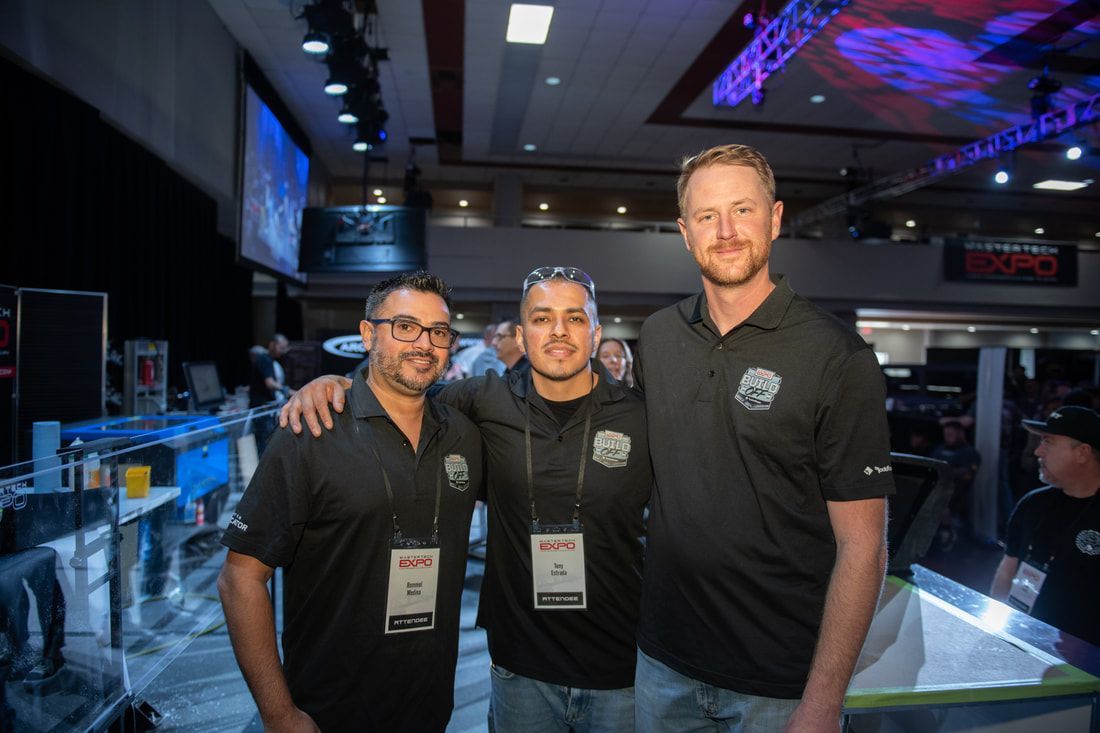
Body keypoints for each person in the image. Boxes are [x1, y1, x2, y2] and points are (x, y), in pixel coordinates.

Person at [281, 266, 651, 731]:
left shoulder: (640, 417)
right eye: (542, 319)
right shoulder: (481, 399)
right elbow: (398, 388)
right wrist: (338, 383)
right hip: (521, 669)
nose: (558, 331)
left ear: (596, 335)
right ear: (521, 334)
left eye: (575, 319)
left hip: (622, 670)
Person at [633, 144, 894, 732]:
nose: (725, 231)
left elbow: (864, 549)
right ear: (684, 231)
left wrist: (824, 701)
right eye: (706, 216)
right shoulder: (657, 336)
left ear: (775, 219)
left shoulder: (837, 357)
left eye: (742, 210)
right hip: (661, 665)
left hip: (778, 686)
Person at [218, 272, 483, 732]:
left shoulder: (464, 434)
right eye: (405, 326)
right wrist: (280, 715)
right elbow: (240, 580)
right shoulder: (312, 431)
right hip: (325, 711)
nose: (424, 343)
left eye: (438, 332)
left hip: (430, 705)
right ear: (367, 334)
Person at [990, 406, 1100, 647]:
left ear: (1082, 452)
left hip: (1088, 661)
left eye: (1048, 442)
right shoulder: (1033, 503)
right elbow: (1008, 569)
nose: (1038, 451)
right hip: (1024, 641)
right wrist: (996, 632)